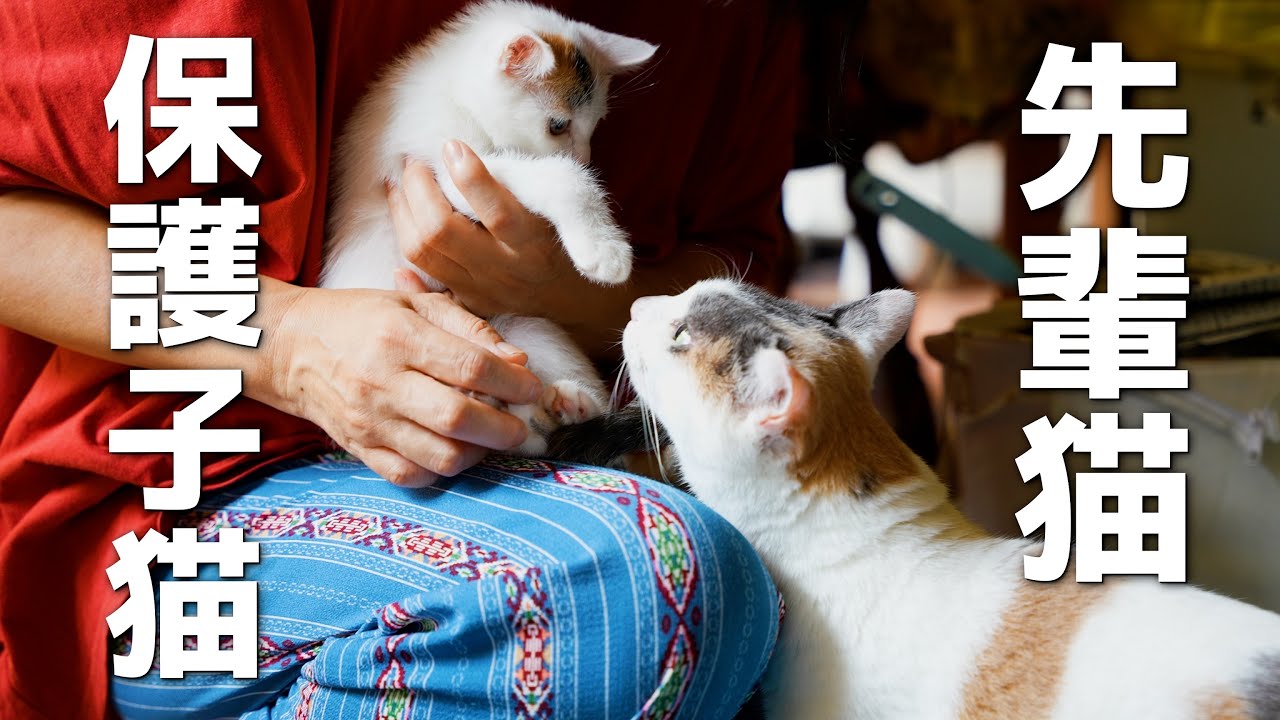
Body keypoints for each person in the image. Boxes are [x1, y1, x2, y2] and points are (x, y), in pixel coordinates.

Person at [0, 1, 802, 717]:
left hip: (538, 435)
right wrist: (289, 344)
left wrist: (549, 286)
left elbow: (743, 269)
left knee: (805, 602)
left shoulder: (730, 25)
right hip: (183, 485)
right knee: (649, 590)